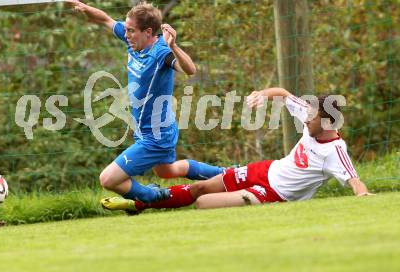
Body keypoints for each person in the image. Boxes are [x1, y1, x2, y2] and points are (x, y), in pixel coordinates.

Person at [101, 87, 373, 213]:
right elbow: (282, 92)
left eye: (310, 118)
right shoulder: (310, 114)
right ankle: (141, 202)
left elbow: (354, 179)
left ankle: (141, 202)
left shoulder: (335, 150)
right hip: (265, 169)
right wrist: (261, 95)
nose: (305, 119)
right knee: (201, 187)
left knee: (203, 203)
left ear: (327, 122)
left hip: (272, 194)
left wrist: (362, 195)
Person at [64, 0, 223, 203]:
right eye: (126, 29)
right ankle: (225, 173)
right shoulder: (134, 41)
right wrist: (86, 9)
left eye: (131, 30)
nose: (126, 33)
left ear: (148, 32)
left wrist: (174, 46)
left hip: (156, 136)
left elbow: (190, 70)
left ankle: (155, 197)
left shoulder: (161, 53)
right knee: (167, 171)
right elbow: (105, 20)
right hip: (148, 130)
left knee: (108, 179)